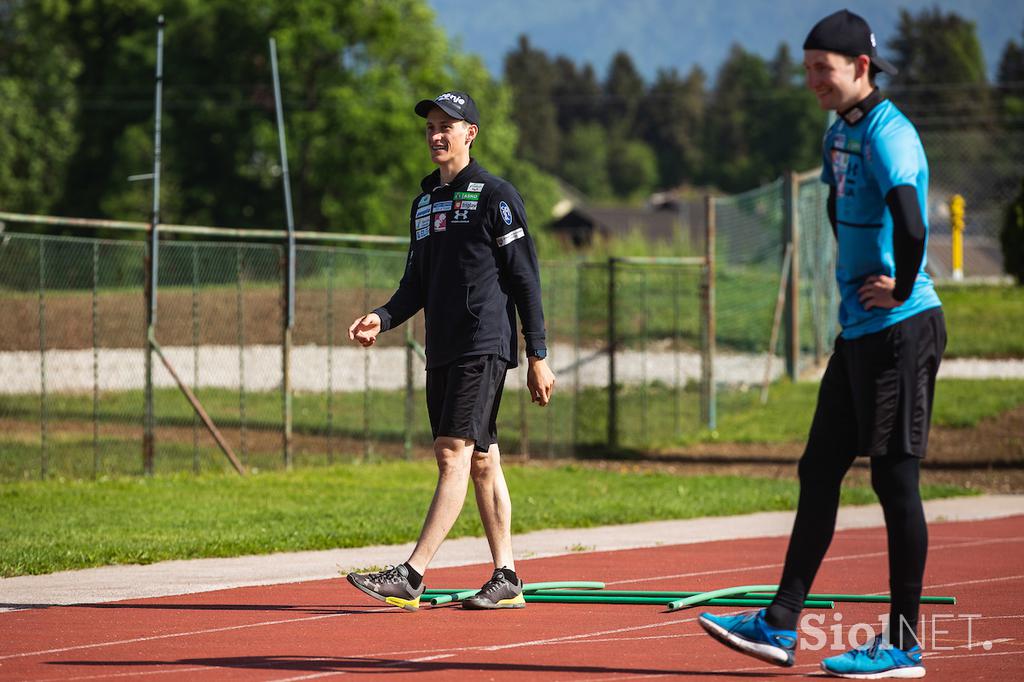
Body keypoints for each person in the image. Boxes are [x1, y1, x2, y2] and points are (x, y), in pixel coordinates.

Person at [698, 9, 944, 679]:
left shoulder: (890, 135)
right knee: (819, 468)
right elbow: (840, 207)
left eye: (822, 70)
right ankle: (780, 625)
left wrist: (900, 287)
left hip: (901, 328)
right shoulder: (840, 130)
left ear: (860, 67)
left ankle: (904, 644)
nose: (812, 81)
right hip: (860, 330)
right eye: (806, 69)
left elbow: (914, 223)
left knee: (895, 480)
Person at [345, 90, 555, 611]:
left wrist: (538, 353)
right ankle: (506, 577)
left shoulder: (497, 196)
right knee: (482, 460)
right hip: (441, 347)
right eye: (431, 127)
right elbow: (415, 283)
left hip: (483, 346)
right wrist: (383, 317)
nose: (437, 134)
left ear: (470, 133)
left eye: (448, 125)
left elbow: (526, 280)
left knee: (451, 454)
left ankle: (412, 575)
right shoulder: (423, 205)